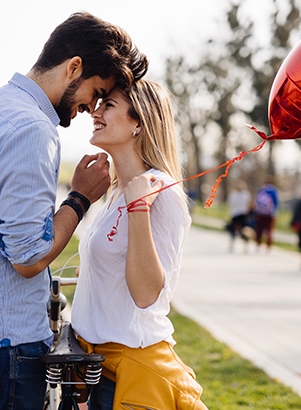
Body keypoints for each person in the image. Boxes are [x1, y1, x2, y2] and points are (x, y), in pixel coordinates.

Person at [0, 12, 148, 410]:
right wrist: (80, 198)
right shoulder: (31, 128)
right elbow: (29, 257)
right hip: (4, 345)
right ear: (73, 68)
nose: (91, 107)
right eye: (95, 91)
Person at [70, 80, 208, 409]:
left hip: (133, 371)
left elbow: (147, 295)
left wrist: (139, 209)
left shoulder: (162, 193)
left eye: (109, 105)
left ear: (139, 123)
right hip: (99, 367)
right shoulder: (115, 190)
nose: (95, 111)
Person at [253, 176, 279, 251]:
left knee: (259, 229)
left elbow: (256, 200)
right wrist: (275, 213)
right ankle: (268, 245)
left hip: (260, 213)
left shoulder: (261, 189)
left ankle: (258, 244)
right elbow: (276, 203)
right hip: (269, 214)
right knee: (269, 230)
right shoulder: (274, 191)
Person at [226, 179, 252, 252]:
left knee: (241, 230)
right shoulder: (241, 194)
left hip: (238, 213)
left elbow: (230, 203)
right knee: (238, 229)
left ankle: (243, 244)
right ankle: (236, 244)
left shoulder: (242, 194)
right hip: (239, 213)